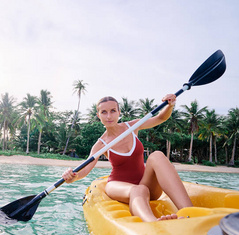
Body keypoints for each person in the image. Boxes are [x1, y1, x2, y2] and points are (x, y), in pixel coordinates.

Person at [62, 94, 193, 222]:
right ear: (99, 115)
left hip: (146, 184)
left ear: (119, 112)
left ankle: (190, 212)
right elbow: (86, 168)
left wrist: (170, 105)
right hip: (119, 186)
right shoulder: (101, 144)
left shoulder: (132, 126)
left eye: (113, 111)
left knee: (157, 155)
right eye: (104, 112)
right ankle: (153, 223)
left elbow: (160, 118)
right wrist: (74, 176)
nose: (109, 116)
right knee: (138, 190)